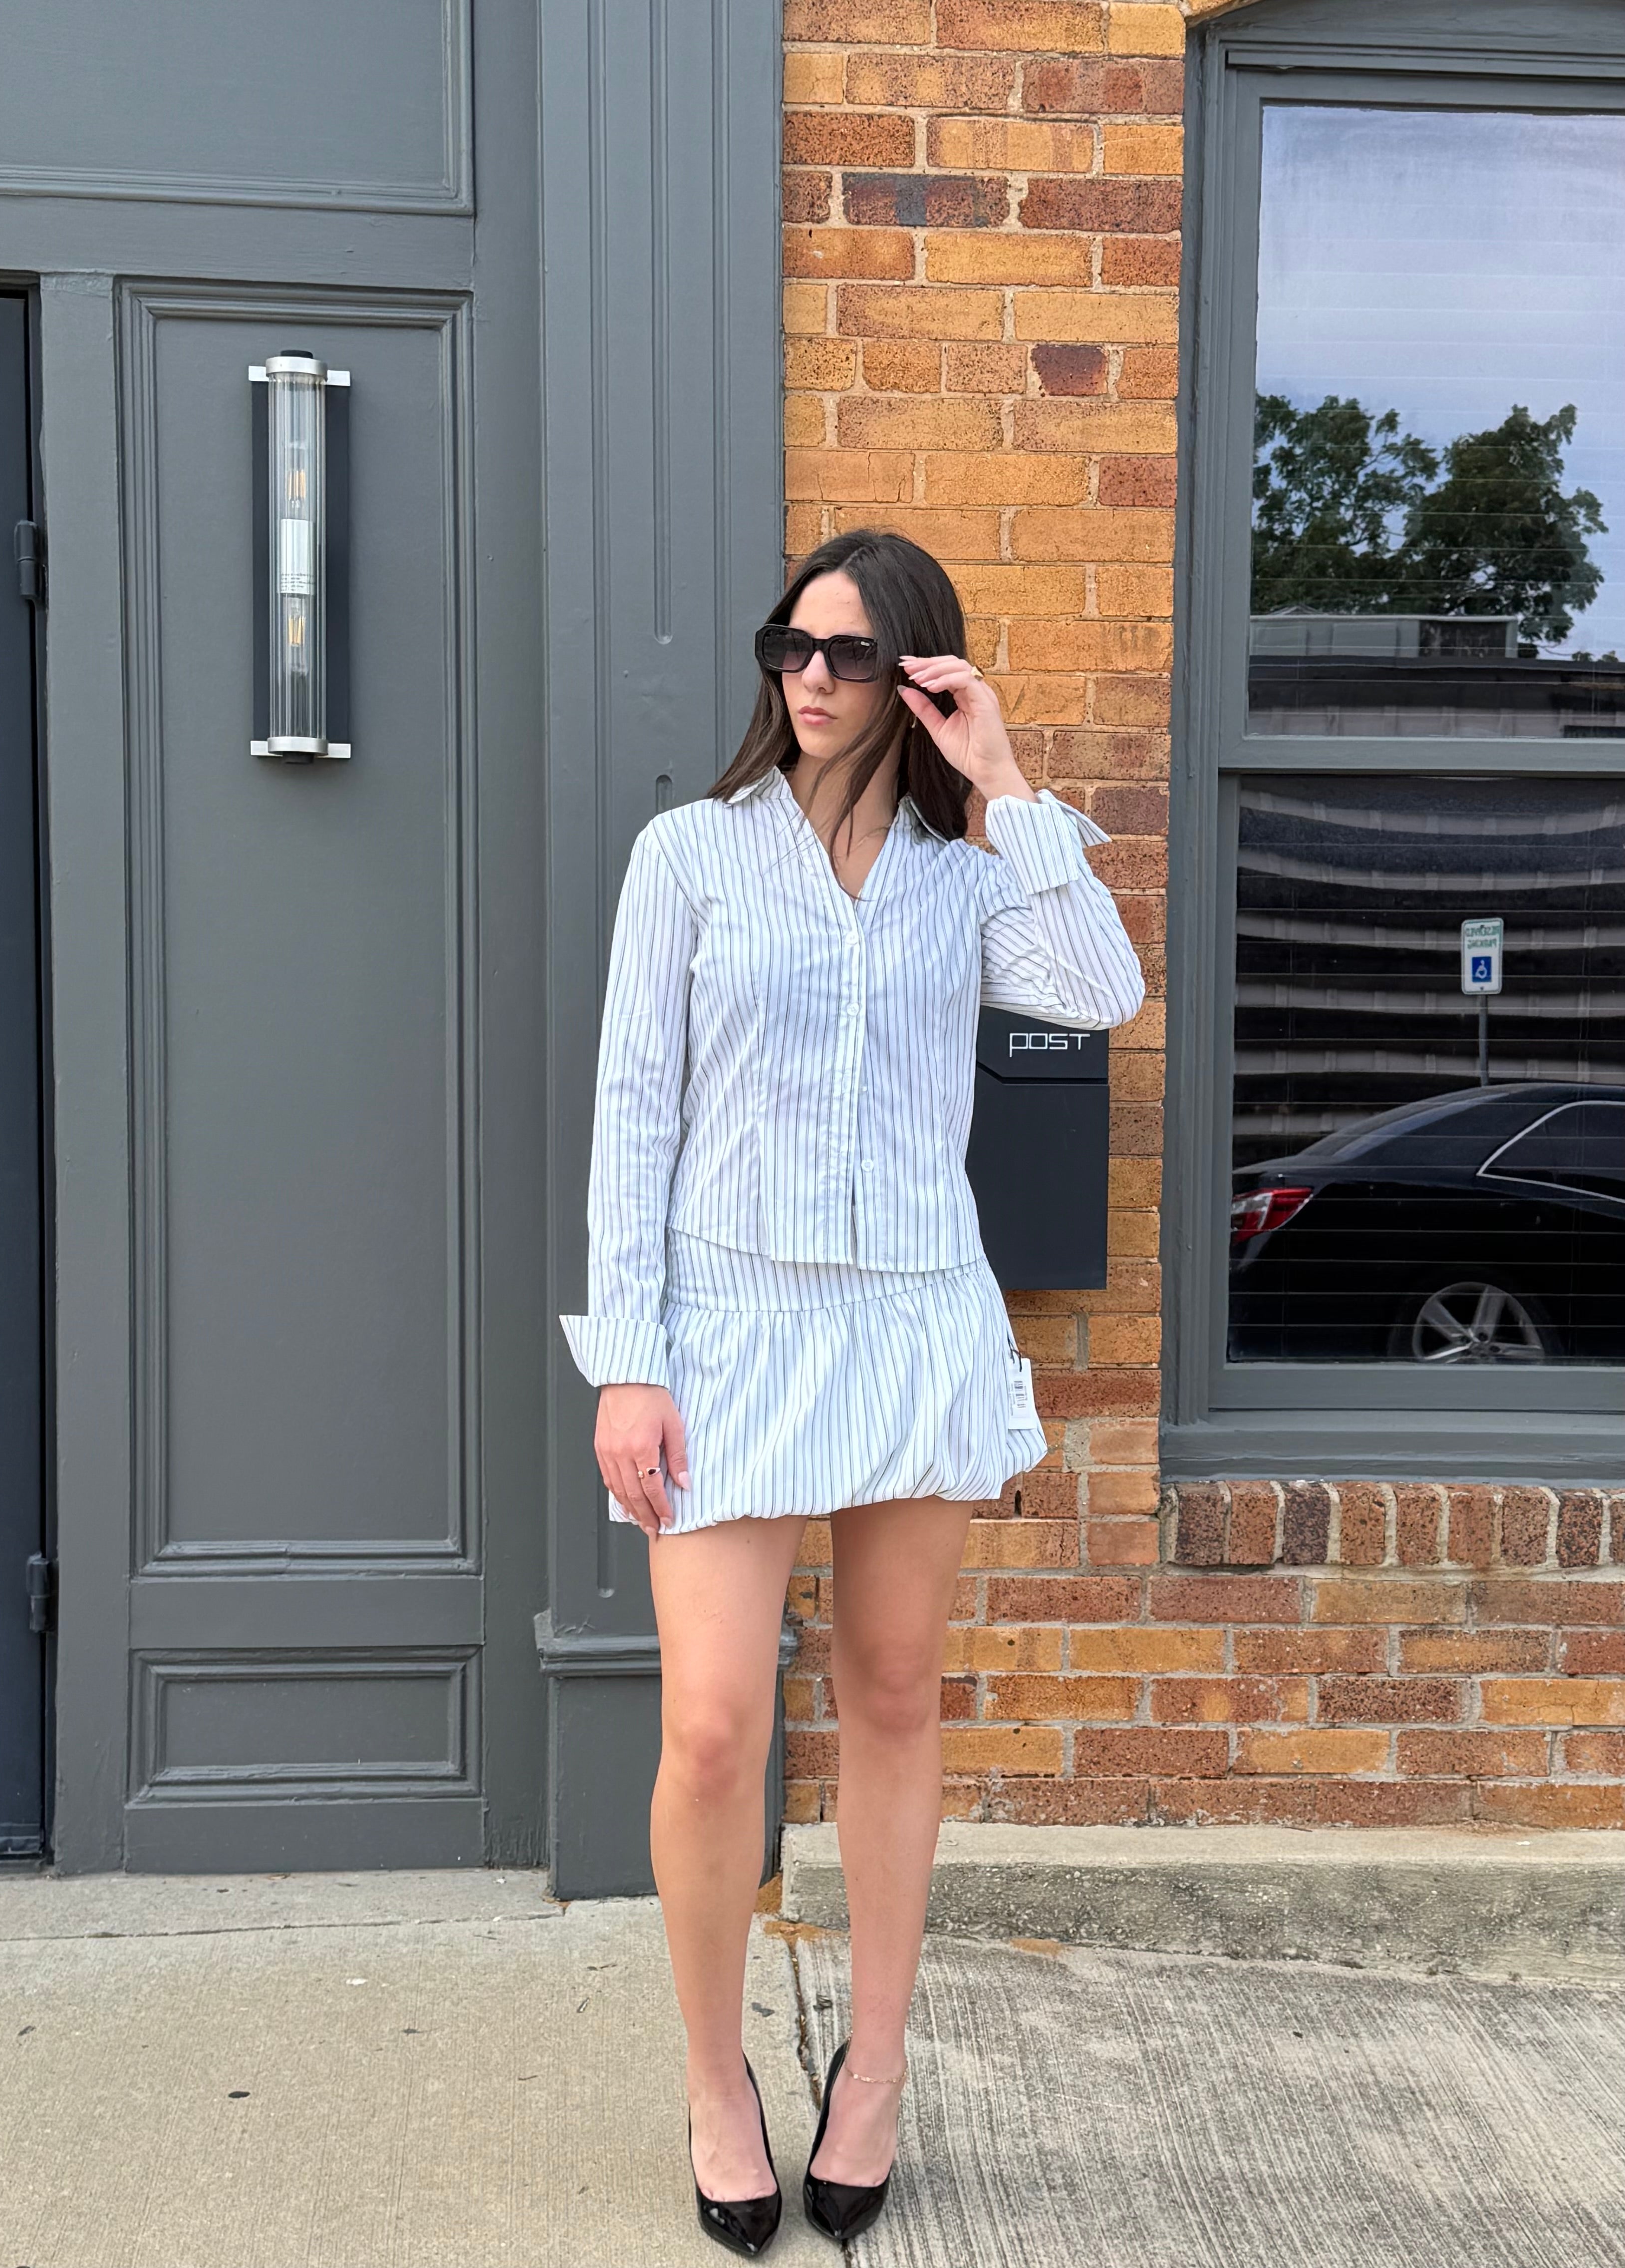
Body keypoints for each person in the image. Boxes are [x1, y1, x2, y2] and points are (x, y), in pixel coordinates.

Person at [560, 530, 1145, 2254]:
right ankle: (714, 2081)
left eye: (850, 654)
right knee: (711, 1726)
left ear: (917, 677)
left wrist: (1007, 779)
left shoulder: (971, 876)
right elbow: (633, 1112)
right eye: (791, 647)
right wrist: (631, 1360)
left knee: (895, 1693)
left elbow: (1100, 992)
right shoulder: (690, 857)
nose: (809, 679)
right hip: (727, 1326)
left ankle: (871, 2070)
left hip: (908, 1321)